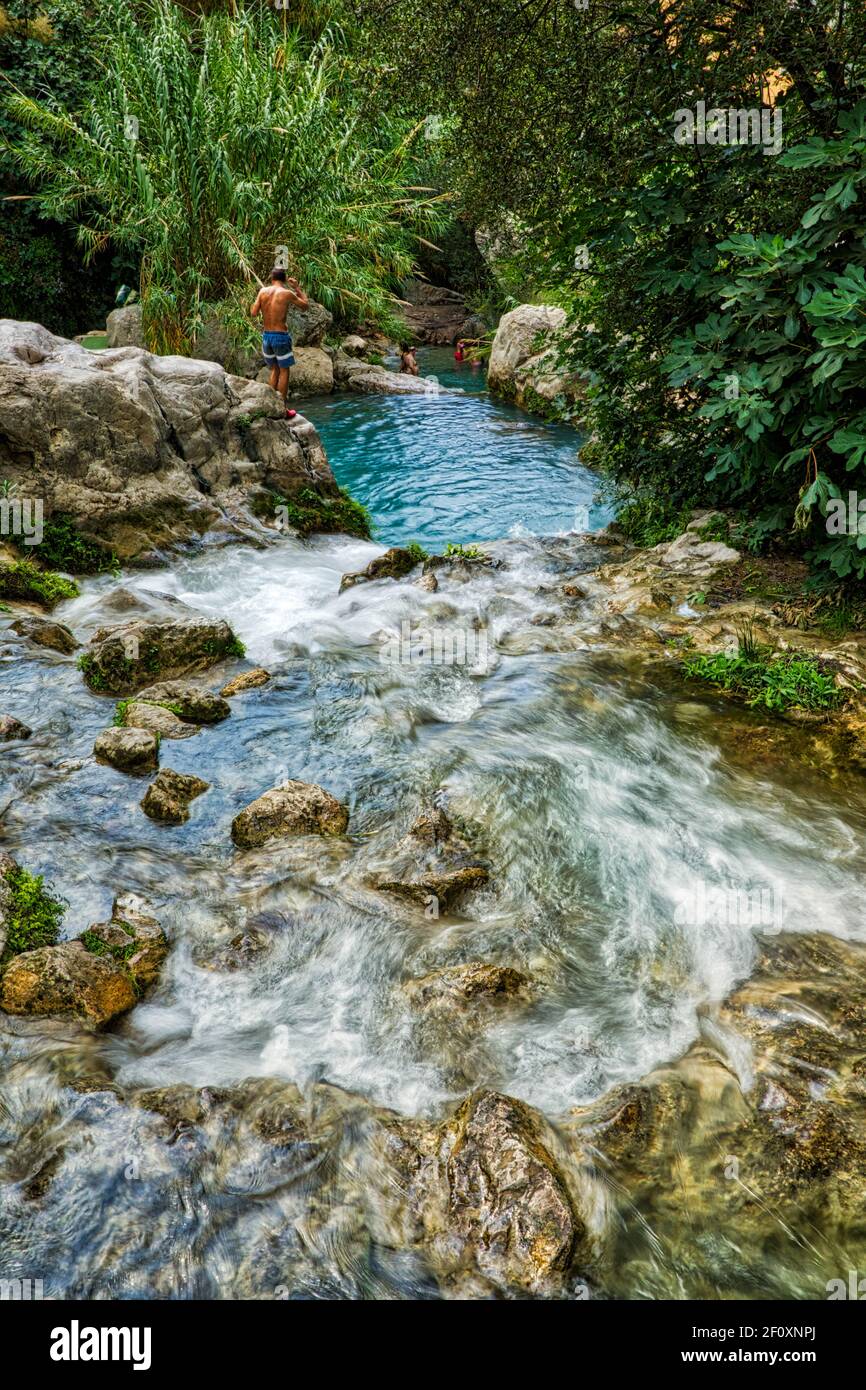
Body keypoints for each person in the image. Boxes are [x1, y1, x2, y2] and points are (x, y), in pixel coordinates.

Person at [251, 267, 309, 413]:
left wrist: (261, 301)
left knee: (274, 369)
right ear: (284, 280)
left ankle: (270, 405)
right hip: (280, 337)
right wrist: (297, 288)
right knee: (284, 371)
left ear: (272, 278)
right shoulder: (287, 293)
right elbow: (305, 306)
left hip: (266, 337)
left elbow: (253, 312)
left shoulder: (262, 291)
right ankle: (282, 409)